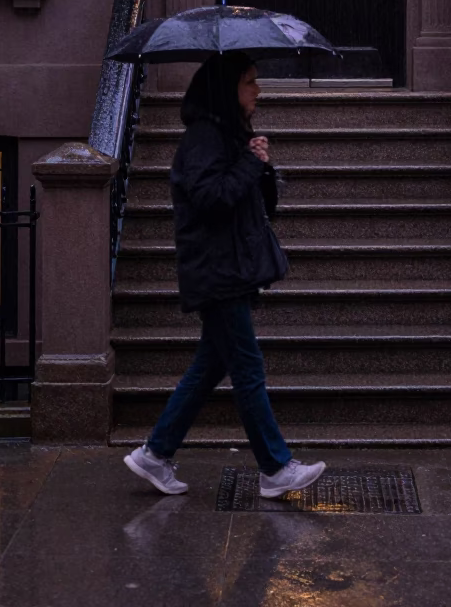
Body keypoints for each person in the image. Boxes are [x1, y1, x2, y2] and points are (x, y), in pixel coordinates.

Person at [124, 51, 326, 498]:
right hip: (217, 271)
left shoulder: (226, 136)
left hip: (227, 267)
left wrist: (261, 165)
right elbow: (211, 198)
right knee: (248, 368)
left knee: (210, 366)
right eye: (250, 82)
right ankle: (275, 468)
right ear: (226, 89)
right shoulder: (203, 138)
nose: (258, 90)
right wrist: (250, 163)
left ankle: (154, 455)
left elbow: (255, 206)